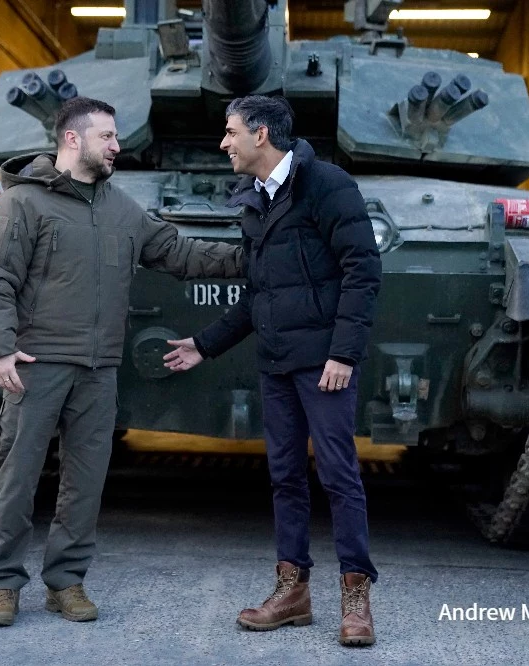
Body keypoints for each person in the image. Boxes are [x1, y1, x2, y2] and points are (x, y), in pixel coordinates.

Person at [0, 96, 244, 627]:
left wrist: (255, 257)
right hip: (36, 362)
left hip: (99, 369)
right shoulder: (24, 203)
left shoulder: (122, 209)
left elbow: (182, 254)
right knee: (19, 477)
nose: (118, 146)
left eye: (116, 137)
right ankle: (4, 585)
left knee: (86, 479)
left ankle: (66, 583)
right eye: (108, 137)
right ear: (73, 139)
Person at [163, 95, 382, 646]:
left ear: (261, 135)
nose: (223, 142)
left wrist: (343, 354)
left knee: (339, 475)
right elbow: (258, 295)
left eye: (231, 131)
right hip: (278, 365)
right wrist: (205, 345)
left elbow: (363, 271)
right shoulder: (255, 201)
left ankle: (356, 599)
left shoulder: (326, 185)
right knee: (285, 477)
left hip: (325, 363)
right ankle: (293, 591)